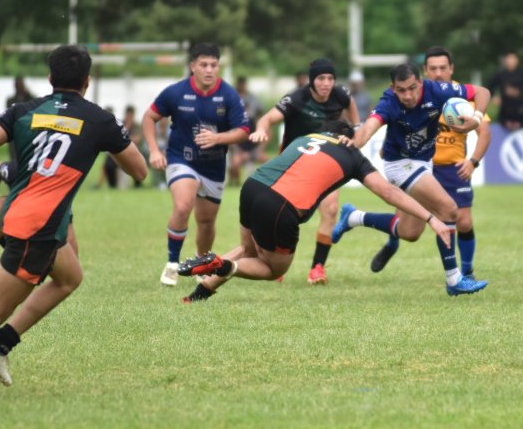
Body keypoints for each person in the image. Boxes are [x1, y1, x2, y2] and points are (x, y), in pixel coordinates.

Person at [0, 45, 147, 401]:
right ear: (87, 81)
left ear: (51, 79)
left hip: (23, 217)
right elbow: (140, 171)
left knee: (70, 277)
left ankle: (0, 346)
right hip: (35, 228)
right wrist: (110, 139)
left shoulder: (24, 111)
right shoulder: (100, 120)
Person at [177, 121, 452, 303]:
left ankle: (199, 294)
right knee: (272, 269)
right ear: (348, 135)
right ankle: (218, 263)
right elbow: (388, 192)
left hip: (252, 187)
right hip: (280, 205)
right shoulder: (353, 154)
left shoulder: (306, 137)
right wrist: (430, 217)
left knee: (248, 251)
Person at [330, 62, 491, 296]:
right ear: (392, 88)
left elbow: (482, 92)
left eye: (412, 88)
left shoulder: (437, 90)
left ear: (421, 83)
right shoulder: (388, 101)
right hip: (400, 165)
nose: (407, 95)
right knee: (449, 209)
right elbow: (368, 129)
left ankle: (354, 217)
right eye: (401, 89)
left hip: (424, 161)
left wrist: (476, 118)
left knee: (410, 232)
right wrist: (353, 142)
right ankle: (455, 279)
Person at [367, 46, 492, 278]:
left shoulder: (459, 98)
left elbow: (484, 132)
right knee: (408, 226)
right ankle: (392, 244)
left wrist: (473, 161)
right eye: (433, 68)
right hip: (416, 164)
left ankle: (466, 272)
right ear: (424, 72)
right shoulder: (415, 95)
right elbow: (399, 125)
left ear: (451, 69)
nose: (438, 73)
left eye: (443, 68)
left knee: (462, 220)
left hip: (451, 167)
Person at [142, 43, 250, 287]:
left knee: (206, 222)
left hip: (213, 167)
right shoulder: (175, 93)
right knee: (182, 206)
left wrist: (218, 139)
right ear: (193, 67)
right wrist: (154, 151)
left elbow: (243, 130)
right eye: (203, 65)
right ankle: (171, 263)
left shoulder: (228, 94)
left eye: (214, 65)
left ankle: (201, 264)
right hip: (181, 159)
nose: (209, 70)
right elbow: (149, 117)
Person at [250, 58, 360, 286]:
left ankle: (317, 268)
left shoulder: (340, 94)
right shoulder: (297, 99)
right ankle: (274, 263)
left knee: (330, 210)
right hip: (293, 168)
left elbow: (351, 106)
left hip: (326, 166)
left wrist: (355, 131)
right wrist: (262, 129)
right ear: (312, 81)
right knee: (283, 217)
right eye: (321, 78)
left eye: (330, 78)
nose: (326, 83)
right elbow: (268, 118)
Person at [0, 160, 78, 255]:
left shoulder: (54, 183)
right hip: (22, 214)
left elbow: (69, 235)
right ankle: (15, 254)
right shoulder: (17, 171)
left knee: (63, 251)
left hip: (49, 216)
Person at [227, 76, 269, 186]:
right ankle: (235, 183)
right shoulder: (235, 124)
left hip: (254, 149)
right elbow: (232, 139)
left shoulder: (256, 124)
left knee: (269, 161)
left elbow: (265, 135)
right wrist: (239, 152)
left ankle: (265, 182)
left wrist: (260, 150)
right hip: (239, 150)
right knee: (235, 163)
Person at [487, 51, 523, 131]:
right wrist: (494, 98)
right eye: (509, 59)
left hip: (521, 108)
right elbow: (490, 87)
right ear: (505, 61)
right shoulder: (500, 74)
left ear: (517, 60)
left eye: (513, 59)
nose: (511, 61)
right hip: (505, 108)